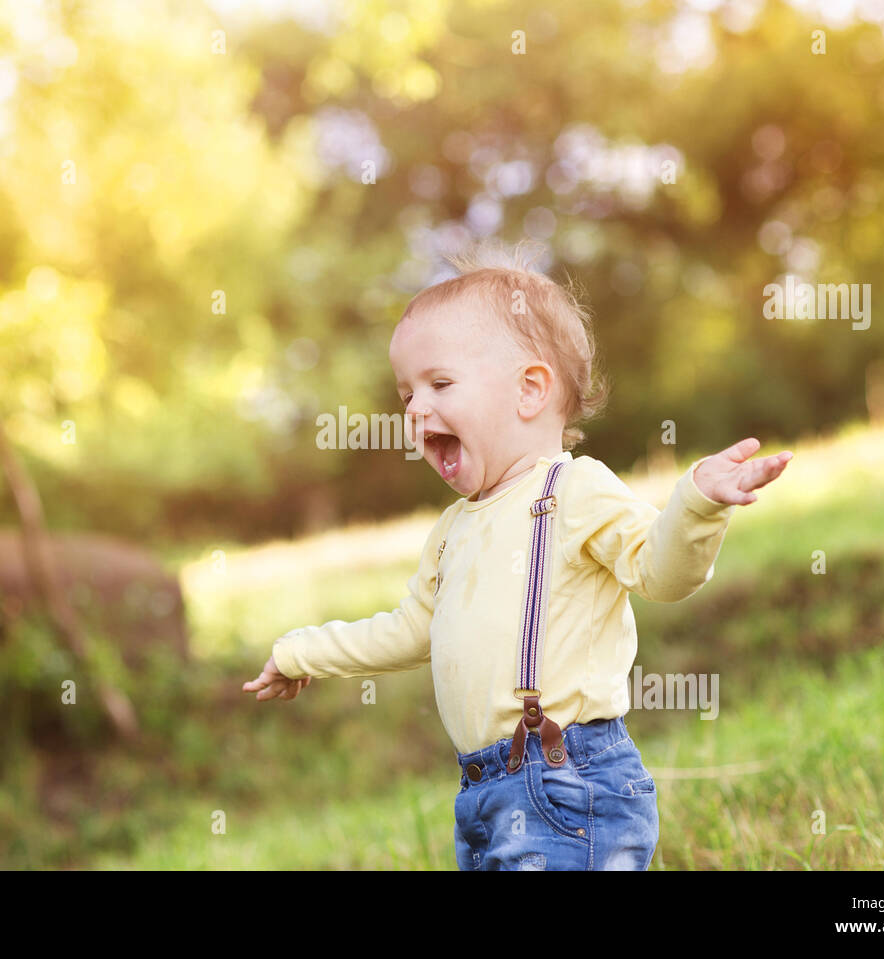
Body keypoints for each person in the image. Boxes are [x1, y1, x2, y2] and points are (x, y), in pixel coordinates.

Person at [243, 240, 792, 869]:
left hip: (568, 783)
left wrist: (695, 505)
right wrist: (299, 651)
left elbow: (661, 574)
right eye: (406, 396)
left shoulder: (573, 490)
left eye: (439, 383)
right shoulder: (451, 530)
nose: (416, 409)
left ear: (530, 390)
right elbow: (407, 631)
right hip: (481, 792)